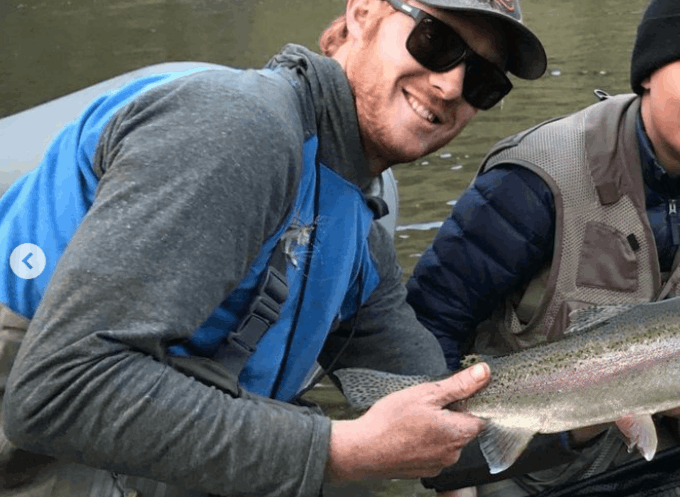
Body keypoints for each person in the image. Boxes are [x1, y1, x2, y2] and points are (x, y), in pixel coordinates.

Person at [0, 0, 547, 496]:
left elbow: (437, 404)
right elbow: (58, 391)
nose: (451, 86)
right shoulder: (238, 127)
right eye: (436, 40)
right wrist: (342, 449)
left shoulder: (354, 217)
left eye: (482, 80)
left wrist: (603, 404)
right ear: (362, 13)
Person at [406, 0, 680, 496]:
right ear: (649, 72)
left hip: (654, 467)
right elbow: (429, 323)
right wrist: (452, 480)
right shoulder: (535, 180)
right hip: (523, 474)